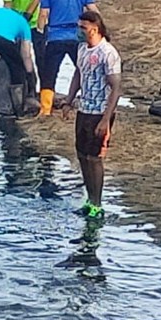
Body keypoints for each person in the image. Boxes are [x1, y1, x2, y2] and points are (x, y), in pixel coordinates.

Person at [62, 12, 121, 219]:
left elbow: (116, 88)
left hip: (100, 112)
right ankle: (89, 200)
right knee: (82, 155)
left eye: (83, 27)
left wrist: (106, 119)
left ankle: (97, 204)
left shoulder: (108, 52)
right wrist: (69, 100)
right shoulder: (81, 49)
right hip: (84, 109)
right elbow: (78, 74)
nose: (79, 31)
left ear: (94, 29)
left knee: (95, 158)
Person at [36, 0, 98, 116]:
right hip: (76, 36)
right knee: (84, 70)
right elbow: (93, 11)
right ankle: (89, 101)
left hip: (55, 37)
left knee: (49, 73)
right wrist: (98, 31)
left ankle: (45, 110)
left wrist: (40, 31)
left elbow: (43, 14)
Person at [1, 0, 49, 82]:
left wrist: (27, 15)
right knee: (19, 56)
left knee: (42, 56)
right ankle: (24, 83)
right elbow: (7, 5)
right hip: (17, 24)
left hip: (36, 23)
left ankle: (45, 86)